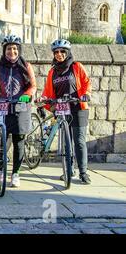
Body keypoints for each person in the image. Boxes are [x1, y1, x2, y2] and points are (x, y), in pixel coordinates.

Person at [0, 35, 37, 188]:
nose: (12, 51)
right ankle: (1, 171)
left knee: (19, 141)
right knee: (2, 139)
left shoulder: (26, 66)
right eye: (9, 48)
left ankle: (16, 173)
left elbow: (33, 86)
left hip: (20, 106)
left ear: (19, 50)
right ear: (4, 50)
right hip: (3, 104)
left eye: (15, 48)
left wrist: (26, 96)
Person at [39, 39, 92, 184]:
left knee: (79, 141)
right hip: (62, 108)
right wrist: (44, 98)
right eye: (56, 52)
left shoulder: (76, 67)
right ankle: (68, 170)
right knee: (66, 141)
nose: (59, 54)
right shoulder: (52, 72)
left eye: (62, 51)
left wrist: (86, 93)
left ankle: (83, 172)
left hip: (78, 106)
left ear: (67, 52)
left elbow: (86, 82)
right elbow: (48, 91)